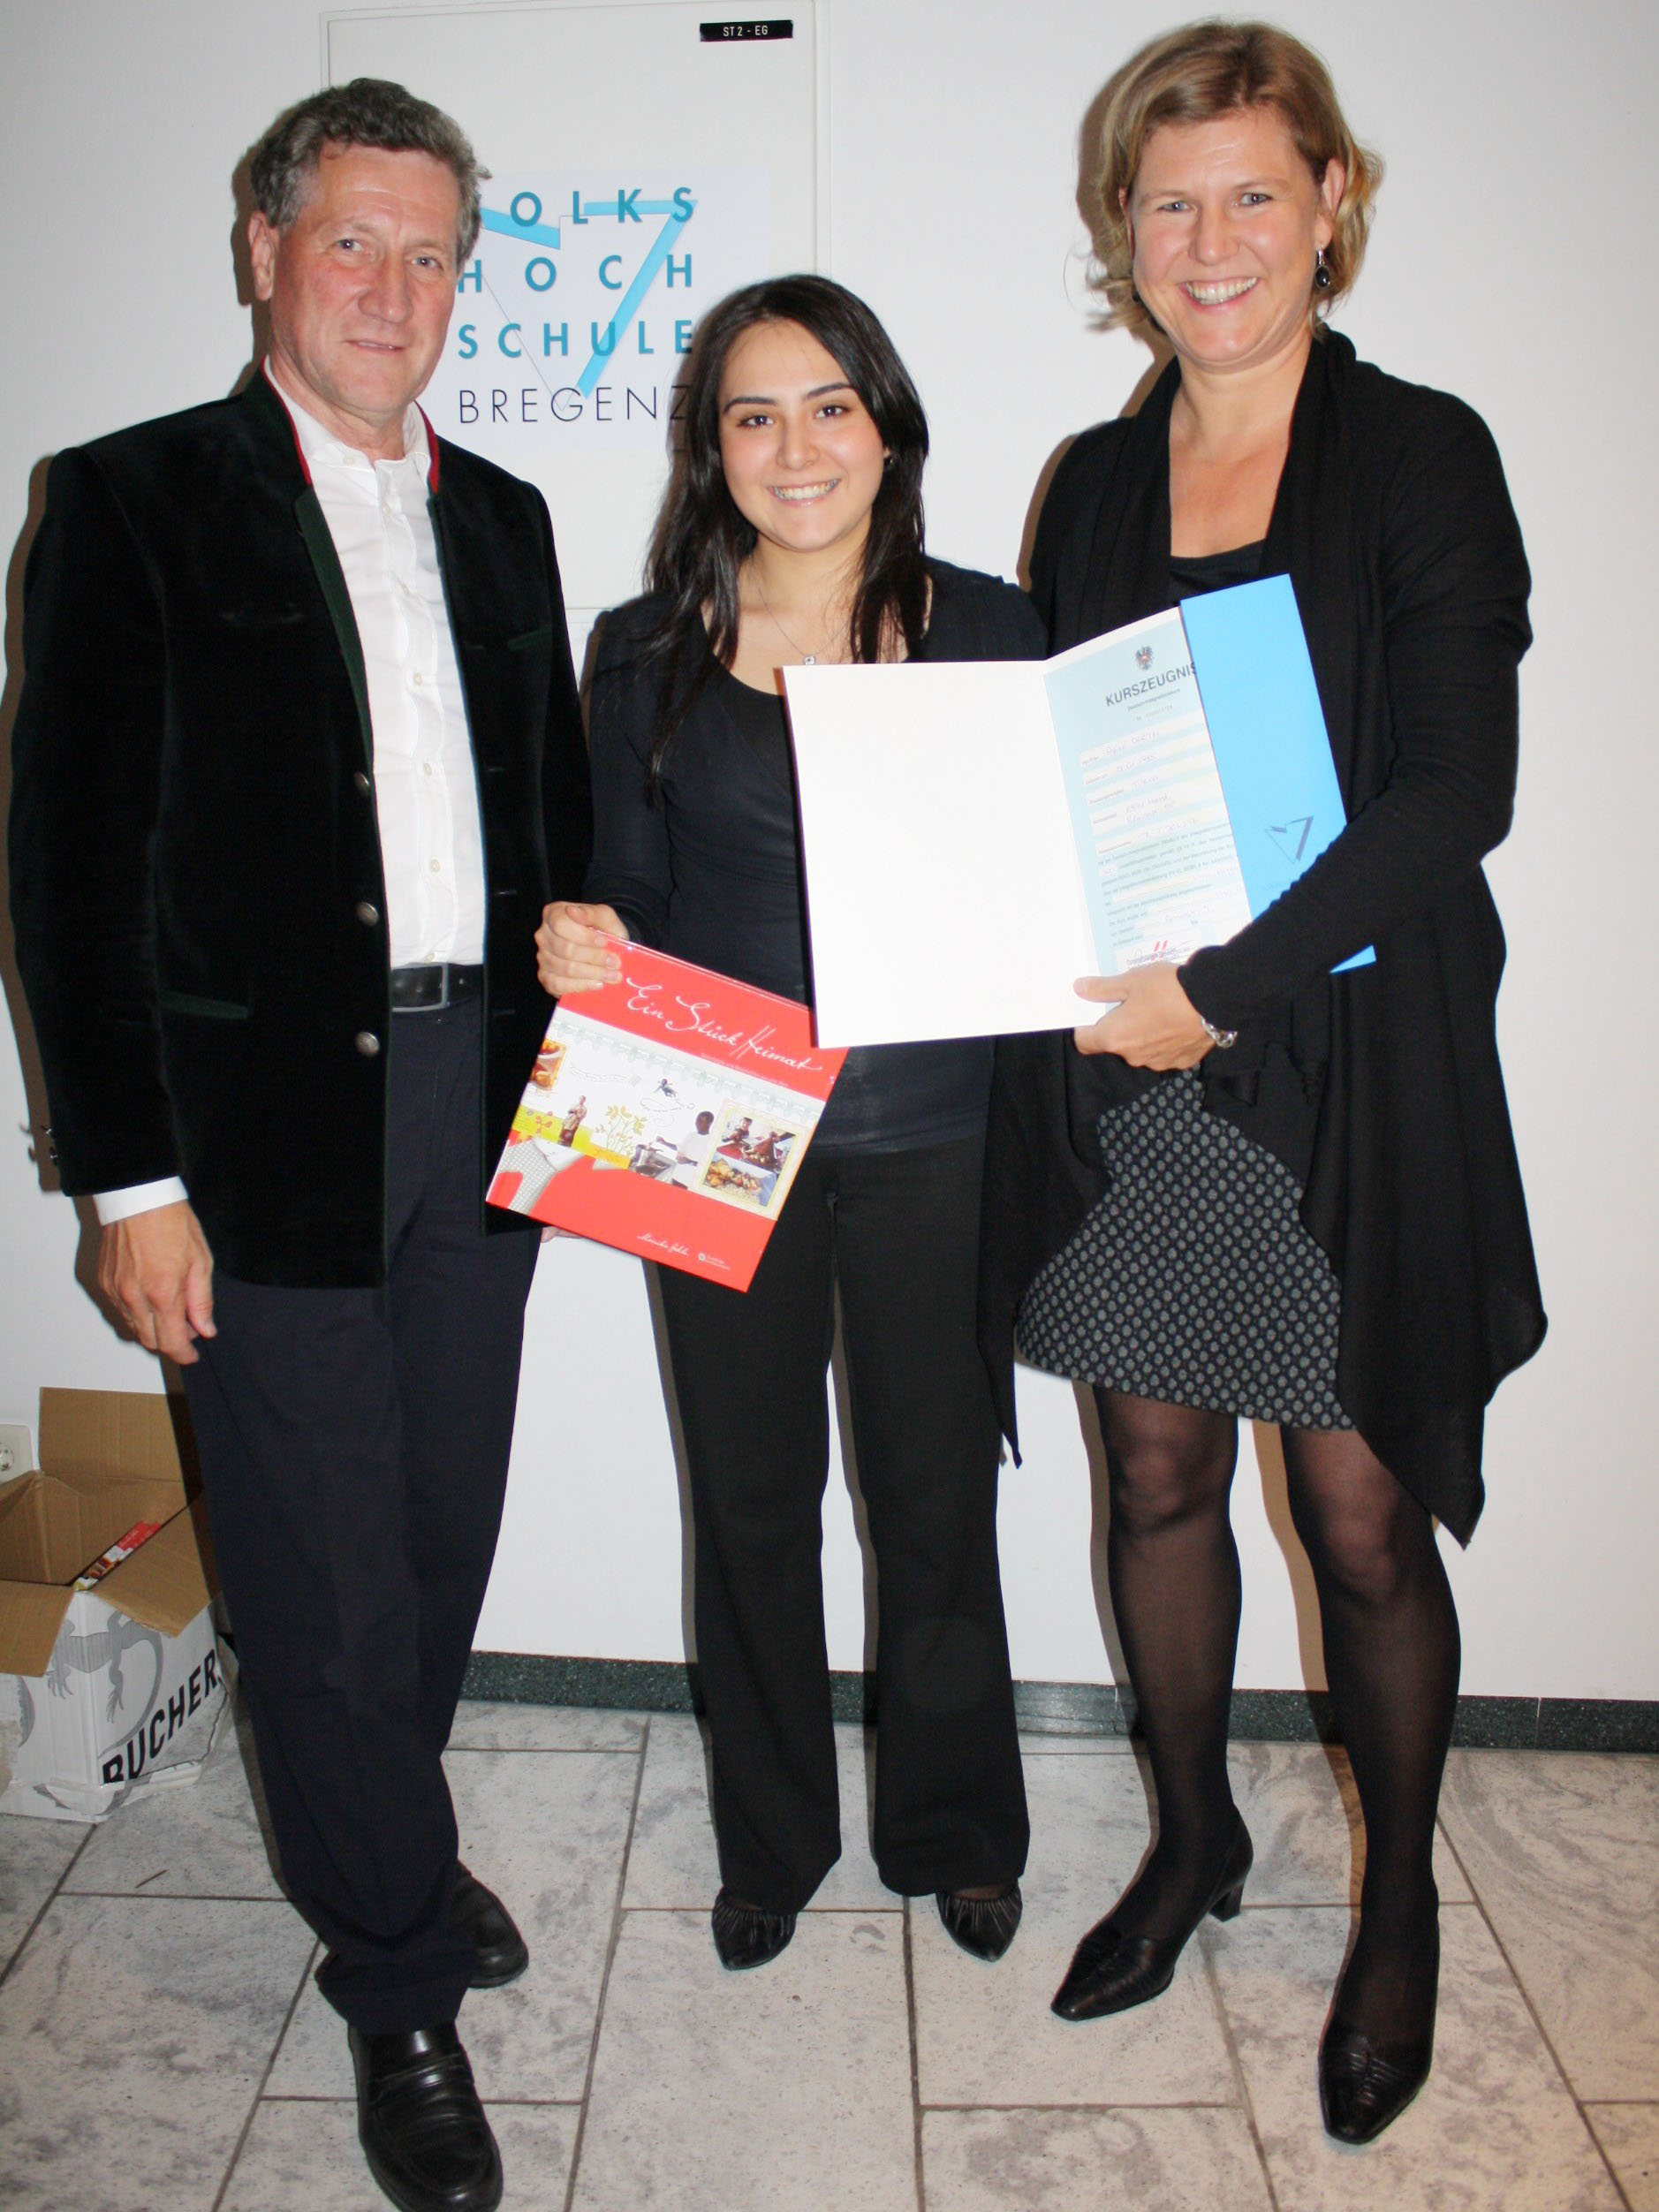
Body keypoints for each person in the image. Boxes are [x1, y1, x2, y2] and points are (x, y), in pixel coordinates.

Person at [9, 79, 591, 2212]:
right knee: (322, 1574)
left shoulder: (508, 517)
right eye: (352, 240)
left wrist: (596, 988)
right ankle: (395, 1978)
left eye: (432, 254)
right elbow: (68, 871)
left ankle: (382, 1837)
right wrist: (130, 1184)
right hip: (256, 1134)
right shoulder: (132, 500)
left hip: (484, 1105)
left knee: (434, 1532)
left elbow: (554, 825)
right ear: (264, 247)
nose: (392, 290)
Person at [978, 21, 1545, 2146]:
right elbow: (1054, 769)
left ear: (1330, 204)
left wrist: (1219, 988)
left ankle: (1396, 1906)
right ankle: (1194, 1832)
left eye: (1251, 193)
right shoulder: (1092, 480)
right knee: (1153, 1472)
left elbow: (1453, 794)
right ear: (1121, 228)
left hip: (1344, 1070)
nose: (1208, 240)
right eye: (1168, 200)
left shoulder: (1420, 454)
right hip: (1140, 1073)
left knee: (1359, 1514)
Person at [538, 275, 1036, 1973]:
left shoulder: (991, 630)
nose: (796, 445)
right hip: (712, 1124)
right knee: (749, 1502)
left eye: (829, 405)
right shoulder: (640, 649)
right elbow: (622, 883)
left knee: (933, 1497)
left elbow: (1041, 877)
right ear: (712, 448)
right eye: (753, 415)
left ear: (887, 426)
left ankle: (956, 1829)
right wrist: (580, 934)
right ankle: (771, 1838)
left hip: (937, 1130)